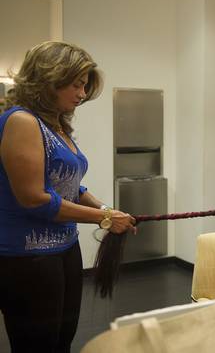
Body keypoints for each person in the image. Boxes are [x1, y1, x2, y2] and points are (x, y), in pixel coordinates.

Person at [0, 41, 136, 352]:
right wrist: (103, 218)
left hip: (64, 250)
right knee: (38, 346)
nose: (82, 93)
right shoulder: (22, 121)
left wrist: (107, 209)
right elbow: (34, 198)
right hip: (27, 260)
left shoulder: (57, 126)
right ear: (49, 80)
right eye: (76, 84)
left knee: (62, 340)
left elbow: (72, 187)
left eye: (85, 85)